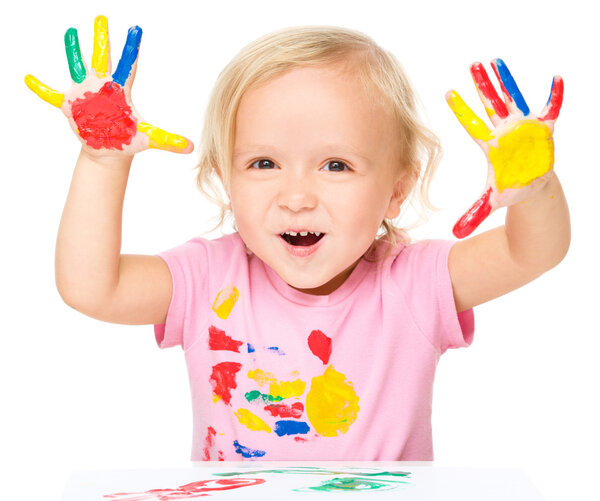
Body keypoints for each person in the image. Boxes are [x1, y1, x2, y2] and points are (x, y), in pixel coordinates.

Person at [26, 15, 570, 461]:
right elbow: (90, 287)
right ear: (225, 178)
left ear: (396, 190)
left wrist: (535, 186)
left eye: (335, 165)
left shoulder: (415, 284)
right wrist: (101, 161)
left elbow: (533, 251)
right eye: (264, 163)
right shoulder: (208, 279)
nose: (296, 196)